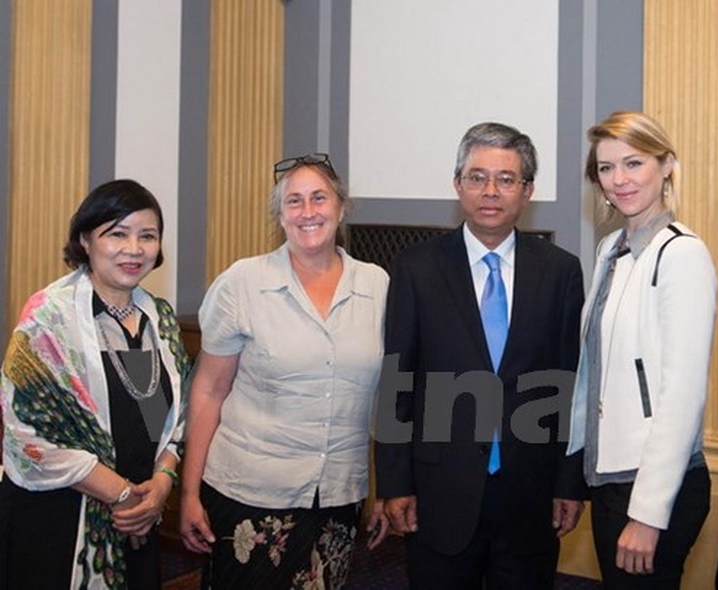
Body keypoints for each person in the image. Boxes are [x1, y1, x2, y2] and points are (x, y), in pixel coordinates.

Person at [375, 122, 587, 590]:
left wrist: (568, 483)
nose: (491, 191)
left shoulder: (560, 272)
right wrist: (394, 483)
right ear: (458, 184)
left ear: (527, 190)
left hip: (530, 494)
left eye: (506, 179)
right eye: (477, 177)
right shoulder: (416, 268)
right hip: (438, 492)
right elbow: (396, 383)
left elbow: (570, 385)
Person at [179, 153, 390, 590]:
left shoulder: (378, 286)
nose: (308, 211)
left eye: (319, 198)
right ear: (280, 214)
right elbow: (208, 390)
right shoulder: (242, 283)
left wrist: (388, 487)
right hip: (249, 494)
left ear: (342, 207)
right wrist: (189, 492)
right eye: (294, 201)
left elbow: (390, 398)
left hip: (338, 497)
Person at [0, 179, 190, 589]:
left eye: (147, 236)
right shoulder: (49, 318)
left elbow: (164, 421)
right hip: (58, 518)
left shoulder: (156, 319)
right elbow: (26, 433)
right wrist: (122, 494)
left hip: (139, 517)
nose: (134, 249)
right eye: (117, 234)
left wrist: (160, 486)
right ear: (86, 240)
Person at [568, 111, 717, 589]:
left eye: (634, 163)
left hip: (655, 484)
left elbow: (682, 393)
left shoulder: (682, 253)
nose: (620, 179)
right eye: (606, 168)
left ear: (666, 165)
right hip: (609, 475)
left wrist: (649, 513)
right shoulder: (610, 249)